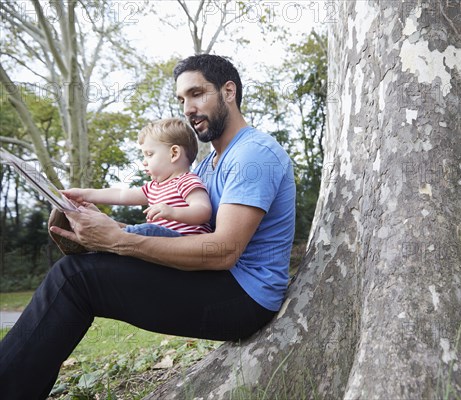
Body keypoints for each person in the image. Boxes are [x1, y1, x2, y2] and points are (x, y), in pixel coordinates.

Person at [0, 54, 296, 399]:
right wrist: (108, 229)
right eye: (182, 100)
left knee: (76, 278)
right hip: (218, 282)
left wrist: (119, 241)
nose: (188, 108)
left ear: (228, 91)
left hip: (244, 297)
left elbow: (223, 251)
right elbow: (173, 228)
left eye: (197, 93)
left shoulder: (252, 155)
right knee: (77, 272)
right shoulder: (207, 165)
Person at [64, 118, 212, 238]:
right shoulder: (153, 188)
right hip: (161, 246)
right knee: (144, 232)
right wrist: (84, 194)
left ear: (174, 153)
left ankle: (107, 239)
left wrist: (172, 212)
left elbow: (203, 211)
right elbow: (120, 195)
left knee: (147, 231)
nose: (144, 161)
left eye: (149, 154)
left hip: (185, 243)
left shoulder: (187, 181)